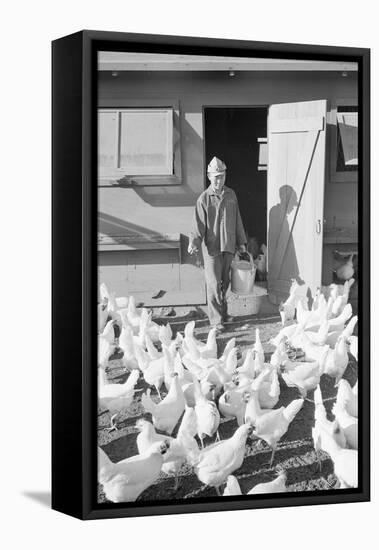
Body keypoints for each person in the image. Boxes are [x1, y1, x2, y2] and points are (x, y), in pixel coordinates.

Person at [188, 156, 247, 331]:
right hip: (212, 248)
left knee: (225, 282)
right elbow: (198, 225)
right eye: (216, 176)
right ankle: (215, 321)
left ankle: (224, 314)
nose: (219, 180)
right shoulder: (203, 199)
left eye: (222, 176)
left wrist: (241, 241)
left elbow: (237, 220)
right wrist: (194, 242)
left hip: (228, 245)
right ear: (209, 176)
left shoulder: (231, 195)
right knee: (214, 284)